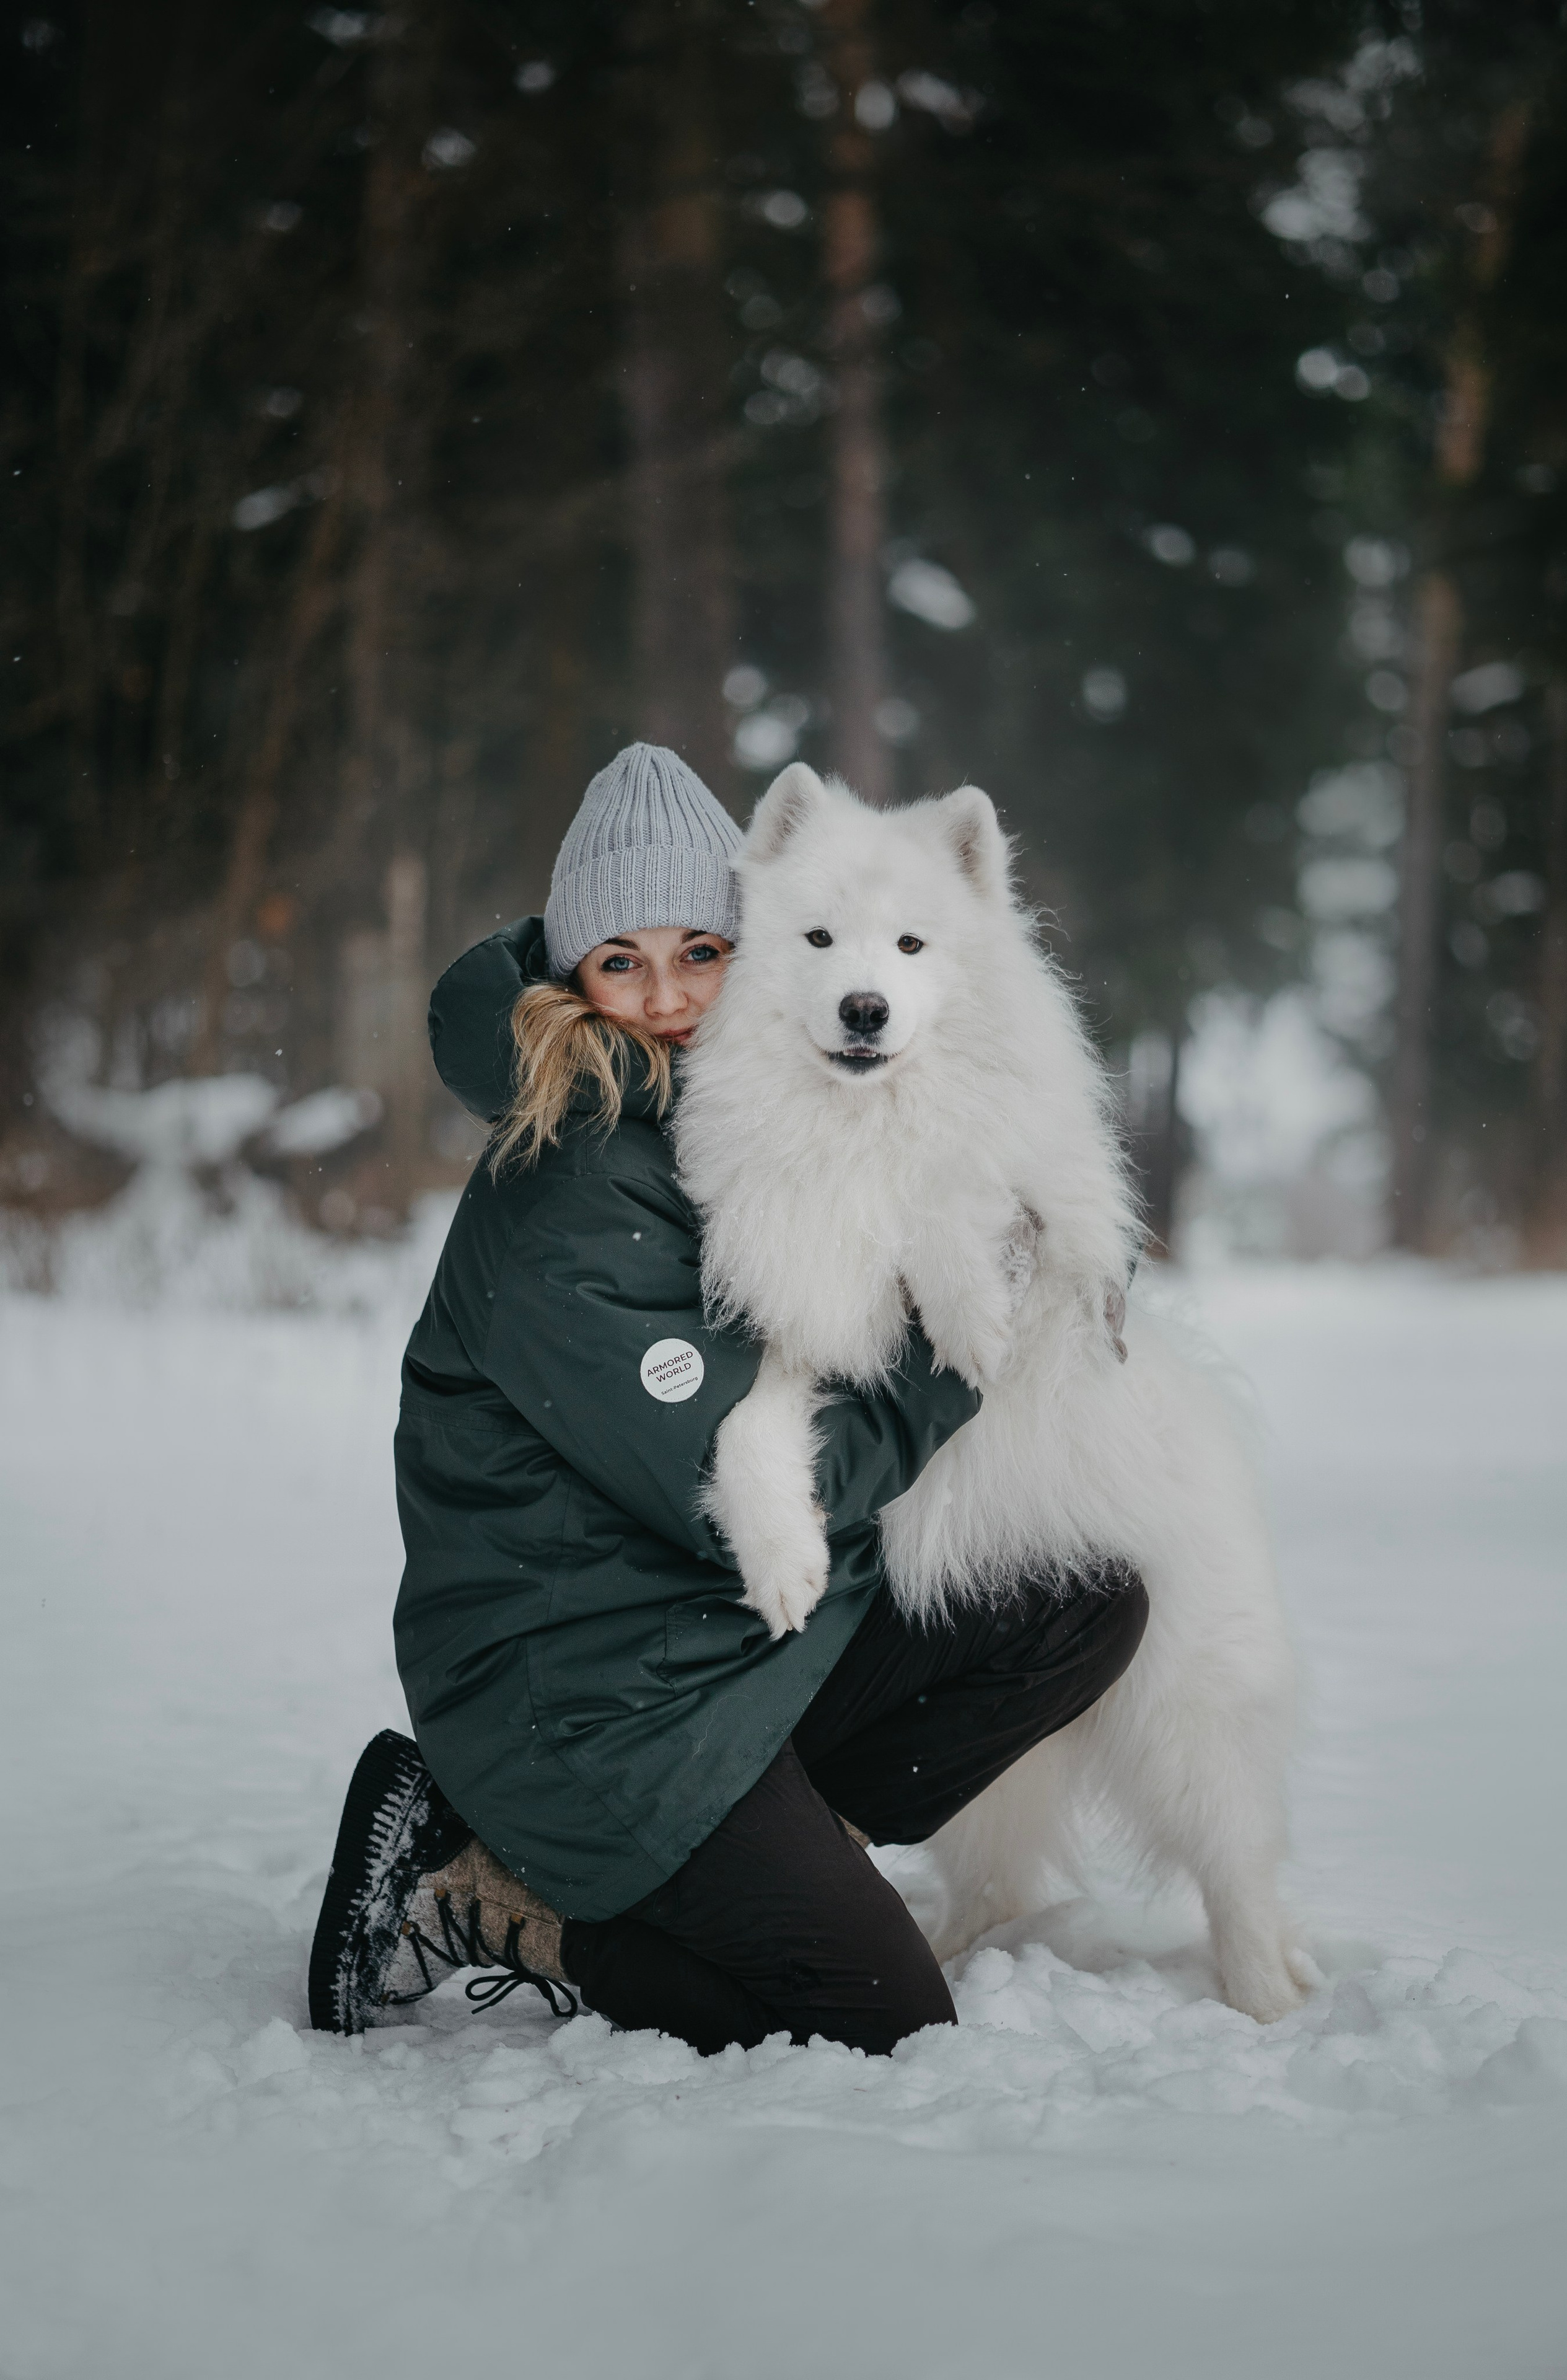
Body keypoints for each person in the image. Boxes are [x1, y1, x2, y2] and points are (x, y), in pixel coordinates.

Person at [309, 743, 1147, 2056]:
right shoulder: (568, 1185)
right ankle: (494, 1899)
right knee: (871, 2016)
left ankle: (764, 1855)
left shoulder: (715, 1111)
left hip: (721, 1641)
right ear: (571, 975)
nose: (664, 998)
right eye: (620, 963)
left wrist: (1048, 1250)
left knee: (1076, 1606)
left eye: (700, 952)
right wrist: (948, 1363)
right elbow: (734, 1483)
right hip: (587, 1701)